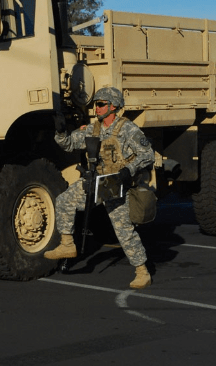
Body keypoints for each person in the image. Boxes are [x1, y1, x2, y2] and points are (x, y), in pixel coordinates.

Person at [44, 87, 155, 289]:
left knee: (122, 229)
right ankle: (67, 244)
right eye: (96, 104)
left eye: (101, 104)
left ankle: (142, 272)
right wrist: (60, 132)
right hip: (96, 179)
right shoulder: (93, 129)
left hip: (113, 182)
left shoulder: (128, 129)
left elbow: (148, 155)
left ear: (113, 106)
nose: (97, 108)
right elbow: (69, 144)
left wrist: (127, 171)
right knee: (64, 201)